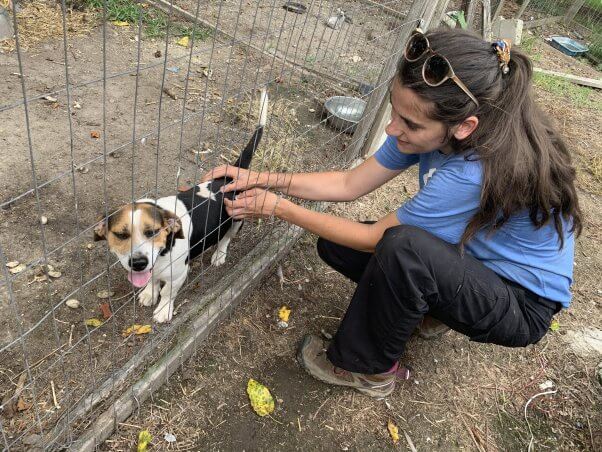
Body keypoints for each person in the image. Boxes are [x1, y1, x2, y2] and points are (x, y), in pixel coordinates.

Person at [202, 28, 582, 398]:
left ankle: (368, 369)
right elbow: (349, 185)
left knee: (402, 248)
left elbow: (376, 238)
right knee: (337, 246)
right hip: (476, 263)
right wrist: (261, 177)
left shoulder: (474, 171)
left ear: (465, 127)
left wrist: (276, 207)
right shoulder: (432, 129)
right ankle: (431, 313)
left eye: (409, 123)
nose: (391, 127)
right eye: (394, 112)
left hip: (519, 303)